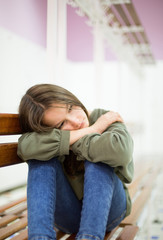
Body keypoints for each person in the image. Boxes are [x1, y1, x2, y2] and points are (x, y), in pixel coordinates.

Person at [17, 83, 134, 240]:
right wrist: (92, 130)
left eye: (71, 108)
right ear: (48, 131)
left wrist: (68, 142)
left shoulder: (104, 117)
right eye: (61, 124)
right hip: (69, 217)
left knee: (99, 155)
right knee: (41, 159)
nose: (75, 121)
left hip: (110, 211)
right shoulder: (99, 124)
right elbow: (25, 147)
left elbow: (121, 150)